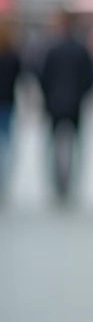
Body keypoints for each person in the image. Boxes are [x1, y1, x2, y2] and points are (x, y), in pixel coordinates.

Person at [37, 9, 93, 203]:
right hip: (75, 103)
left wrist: (47, 96)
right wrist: (81, 94)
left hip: (54, 104)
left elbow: (42, 77)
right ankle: (70, 181)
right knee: (75, 145)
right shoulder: (81, 49)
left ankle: (57, 181)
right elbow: (91, 78)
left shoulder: (52, 49)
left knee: (53, 144)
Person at [0, 18, 21, 199]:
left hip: (6, 103)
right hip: (7, 103)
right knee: (6, 145)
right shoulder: (12, 55)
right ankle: (3, 179)